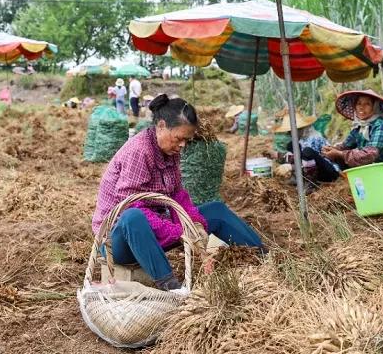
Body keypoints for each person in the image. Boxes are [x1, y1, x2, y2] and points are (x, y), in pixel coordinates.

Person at [92, 95, 264, 290]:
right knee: (133, 216)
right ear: (162, 125)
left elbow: (178, 196)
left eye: (187, 140)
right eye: (179, 138)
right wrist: (179, 232)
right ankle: (170, 286)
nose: (182, 145)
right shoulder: (139, 151)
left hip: (154, 231)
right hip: (119, 241)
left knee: (215, 210)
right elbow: (129, 207)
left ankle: (264, 257)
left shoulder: (169, 152)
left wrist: (195, 225)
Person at [322, 89, 383, 177]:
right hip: (379, 169)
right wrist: (332, 149)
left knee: (348, 158)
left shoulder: (381, 126)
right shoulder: (359, 127)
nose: (361, 107)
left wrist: (338, 154)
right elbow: (345, 145)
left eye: (367, 104)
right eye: (359, 103)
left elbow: (369, 155)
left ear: (375, 107)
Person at [272, 112, 341, 190]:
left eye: (291, 131)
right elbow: (296, 158)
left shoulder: (313, 138)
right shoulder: (299, 141)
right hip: (315, 171)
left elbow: (310, 161)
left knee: (307, 152)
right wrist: (278, 156)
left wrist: (291, 167)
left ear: (300, 129)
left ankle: (311, 185)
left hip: (328, 172)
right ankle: (298, 179)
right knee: (291, 146)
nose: (289, 133)